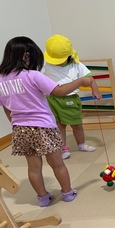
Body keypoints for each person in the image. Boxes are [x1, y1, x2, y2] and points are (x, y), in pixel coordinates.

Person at [0, 36, 101, 206]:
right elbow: (59, 91)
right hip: (43, 127)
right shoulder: (33, 76)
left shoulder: (1, 79)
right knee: (57, 164)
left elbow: (6, 107)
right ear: (27, 55)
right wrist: (80, 81)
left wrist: (15, 123)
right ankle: (68, 193)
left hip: (20, 129)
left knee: (33, 167)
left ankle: (43, 198)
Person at [43, 34, 99, 159]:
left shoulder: (76, 64)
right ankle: (63, 148)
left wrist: (95, 89)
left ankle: (81, 144)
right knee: (59, 125)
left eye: (59, 60)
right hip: (51, 99)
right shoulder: (46, 64)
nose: (56, 63)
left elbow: (89, 77)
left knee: (76, 124)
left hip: (70, 99)